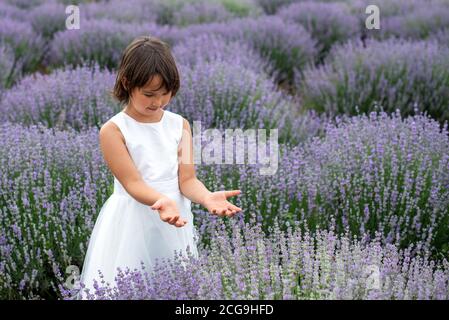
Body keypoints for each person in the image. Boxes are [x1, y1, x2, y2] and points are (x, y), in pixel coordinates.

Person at [76, 35, 242, 299]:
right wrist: (161, 201)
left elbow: (187, 180)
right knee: (126, 287)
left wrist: (206, 197)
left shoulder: (180, 125)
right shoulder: (114, 130)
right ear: (127, 83)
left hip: (174, 220)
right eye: (150, 94)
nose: (158, 102)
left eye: (166, 93)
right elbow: (133, 183)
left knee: (176, 288)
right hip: (133, 219)